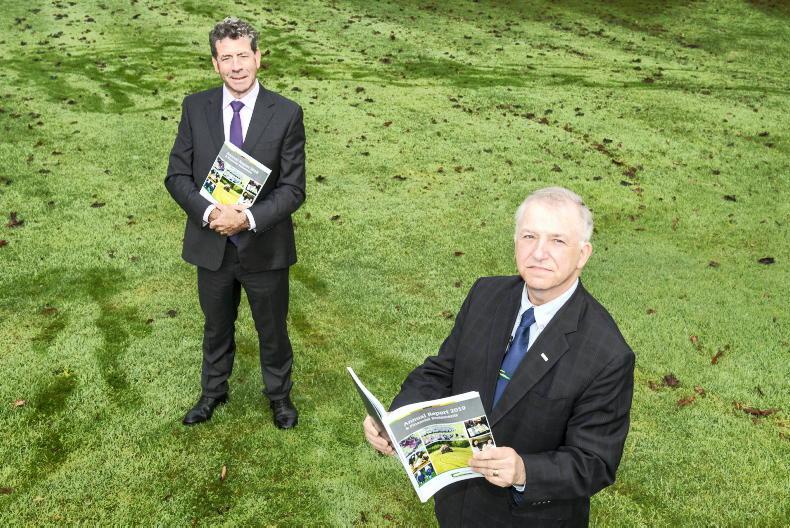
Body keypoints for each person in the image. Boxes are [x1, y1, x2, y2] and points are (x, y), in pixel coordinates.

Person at [364, 187, 634, 526]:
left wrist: (524, 470)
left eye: (557, 241)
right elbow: (442, 371)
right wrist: (395, 421)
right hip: (457, 505)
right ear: (515, 242)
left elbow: (594, 462)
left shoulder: (608, 354)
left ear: (583, 254)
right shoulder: (485, 294)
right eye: (529, 236)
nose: (539, 252)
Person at [166, 17, 305, 429]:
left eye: (243, 56)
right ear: (215, 63)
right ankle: (213, 393)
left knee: (272, 330)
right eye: (226, 58)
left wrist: (246, 218)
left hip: (265, 246)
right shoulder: (196, 107)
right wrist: (211, 213)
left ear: (258, 57)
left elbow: (293, 189)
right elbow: (177, 176)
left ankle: (279, 397)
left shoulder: (287, 113)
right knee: (216, 327)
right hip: (211, 245)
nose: (236, 66)